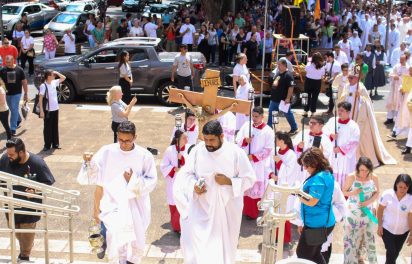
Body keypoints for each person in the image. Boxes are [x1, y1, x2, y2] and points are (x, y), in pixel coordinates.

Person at [173, 120, 256, 264]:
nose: (208, 143)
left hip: (226, 211)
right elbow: (185, 175)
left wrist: (229, 181)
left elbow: (250, 178)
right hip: (201, 208)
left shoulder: (235, 153)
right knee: (197, 250)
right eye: (205, 139)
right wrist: (194, 186)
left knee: (223, 252)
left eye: (212, 140)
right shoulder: (198, 151)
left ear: (222, 136)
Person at [87, 121, 157, 264]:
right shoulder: (107, 152)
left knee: (136, 239)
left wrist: (133, 180)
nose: (124, 144)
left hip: (136, 205)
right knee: (115, 238)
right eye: (121, 140)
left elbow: (152, 181)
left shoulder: (144, 155)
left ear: (135, 137)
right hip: (113, 204)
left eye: (128, 141)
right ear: (117, 136)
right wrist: (87, 162)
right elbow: (94, 174)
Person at [0, 138, 55, 261]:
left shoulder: (37, 163)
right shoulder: (5, 159)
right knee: (17, 233)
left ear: (21, 152)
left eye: (12, 155)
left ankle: (25, 255)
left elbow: (48, 181)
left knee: (26, 236)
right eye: (8, 154)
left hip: (29, 208)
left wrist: (35, 190)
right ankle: (25, 248)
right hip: (11, 206)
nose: (9, 157)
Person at [338, 68, 396, 167]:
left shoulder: (361, 87)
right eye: (349, 78)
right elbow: (342, 97)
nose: (350, 79)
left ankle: (358, 157)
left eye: (352, 78)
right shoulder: (347, 86)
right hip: (348, 114)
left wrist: (360, 97)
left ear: (357, 78)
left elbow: (367, 102)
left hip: (359, 116)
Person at [296, 147, 335, 264]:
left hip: (317, 224)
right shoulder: (325, 173)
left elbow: (312, 201)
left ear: (315, 163)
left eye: (307, 166)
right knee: (313, 254)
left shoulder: (319, 179)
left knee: (303, 255)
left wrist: (297, 193)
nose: (305, 168)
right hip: (321, 222)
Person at [236, 106, 274, 219]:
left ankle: (253, 212)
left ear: (263, 116)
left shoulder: (268, 131)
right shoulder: (246, 126)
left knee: (255, 187)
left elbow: (268, 150)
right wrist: (244, 141)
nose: (254, 118)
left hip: (258, 164)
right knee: (245, 185)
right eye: (253, 116)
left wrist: (253, 157)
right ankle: (244, 209)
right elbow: (237, 139)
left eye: (257, 116)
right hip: (246, 161)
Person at [266, 131, 301, 245]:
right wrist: (271, 174)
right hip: (275, 186)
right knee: (274, 210)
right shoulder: (274, 151)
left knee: (284, 212)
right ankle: (274, 235)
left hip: (285, 188)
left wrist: (279, 162)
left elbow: (290, 171)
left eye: (277, 139)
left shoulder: (291, 154)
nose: (275, 142)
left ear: (282, 141)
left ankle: (284, 239)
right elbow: (268, 165)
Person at [342, 157, 379, 264]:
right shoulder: (351, 177)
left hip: (367, 213)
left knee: (369, 239)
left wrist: (369, 201)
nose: (364, 173)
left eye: (366, 170)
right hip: (352, 214)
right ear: (358, 168)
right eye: (361, 170)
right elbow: (344, 192)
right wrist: (354, 192)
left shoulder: (373, 177)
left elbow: (377, 192)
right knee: (350, 240)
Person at [323, 102, 360, 188]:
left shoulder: (353, 126)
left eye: (342, 111)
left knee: (345, 176)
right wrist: (331, 135)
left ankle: (345, 192)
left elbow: (354, 142)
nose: (339, 112)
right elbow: (324, 131)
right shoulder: (332, 121)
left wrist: (341, 149)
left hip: (345, 157)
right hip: (332, 154)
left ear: (348, 112)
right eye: (338, 110)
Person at [377, 174, 412, 264]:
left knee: (395, 253)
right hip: (387, 229)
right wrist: (379, 225)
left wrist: (411, 234)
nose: (402, 190)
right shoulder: (387, 194)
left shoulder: (410, 199)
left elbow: (410, 216)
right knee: (391, 251)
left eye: (405, 187)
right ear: (396, 184)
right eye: (400, 187)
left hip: (403, 232)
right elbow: (380, 210)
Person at [160, 130, 188, 233]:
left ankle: (185, 225)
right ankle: (177, 227)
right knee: (174, 202)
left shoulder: (189, 149)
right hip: (173, 181)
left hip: (185, 181)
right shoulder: (169, 150)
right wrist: (174, 169)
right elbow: (163, 166)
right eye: (184, 138)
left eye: (187, 137)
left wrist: (183, 159)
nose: (187, 140)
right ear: (177, 140)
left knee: (184, 202)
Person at [267, 60, 298, 134]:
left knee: (288, 114)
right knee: (271, 113)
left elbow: (291, 87)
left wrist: (288, 98)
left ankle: (294, 128)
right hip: (274, 98)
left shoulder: (288, 75)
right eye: (278, 65)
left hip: (283, 100)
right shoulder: (278, 73)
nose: (278, 66)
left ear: (284, 65)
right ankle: (269, 128)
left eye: (279, 65)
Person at [0, 55, 28, 136]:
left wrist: (26, 93)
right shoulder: (2, 70)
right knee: (13, 109)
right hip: (6, 94)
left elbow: (24, 82)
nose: (7, 64)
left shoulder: (19, 69)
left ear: (13, 61)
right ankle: (18, 119)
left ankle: (13, 128)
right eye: (6, 62)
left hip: (17, 93)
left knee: (14, 108)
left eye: (9, 62)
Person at [39, 70, 66, 151]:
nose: (54, 76)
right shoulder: (43, 86)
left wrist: (57, 72)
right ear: (48, 77)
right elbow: (40, 99)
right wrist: (41, 111)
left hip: (55, 108)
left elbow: (63, 77)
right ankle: (47, 145)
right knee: (47, 128)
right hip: (48, 110)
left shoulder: (54, 82)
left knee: (55, 126)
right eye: (52, 75)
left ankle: (55, 144)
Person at [385, 55, 409, 125]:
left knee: (399, 104)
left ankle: (397, 120)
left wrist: (399, 78)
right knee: (391, 102)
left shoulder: (408, 68)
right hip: (394, 87)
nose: (401, 61)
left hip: (401, 89)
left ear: (406, 60)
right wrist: (393, 76)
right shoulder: (397, 66)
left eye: (402, 60)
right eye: (400, 60)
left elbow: (408, 79)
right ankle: (389, 118)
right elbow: (390, 73)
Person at [304, 52, 325, 117]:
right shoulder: (322, 66)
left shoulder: (308, 64)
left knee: (307, 97)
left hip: (308, 81)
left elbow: (306, 70)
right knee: (314, 98)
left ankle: (305, 111)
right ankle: (313, 112)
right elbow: (322, 75)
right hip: (317, 82)